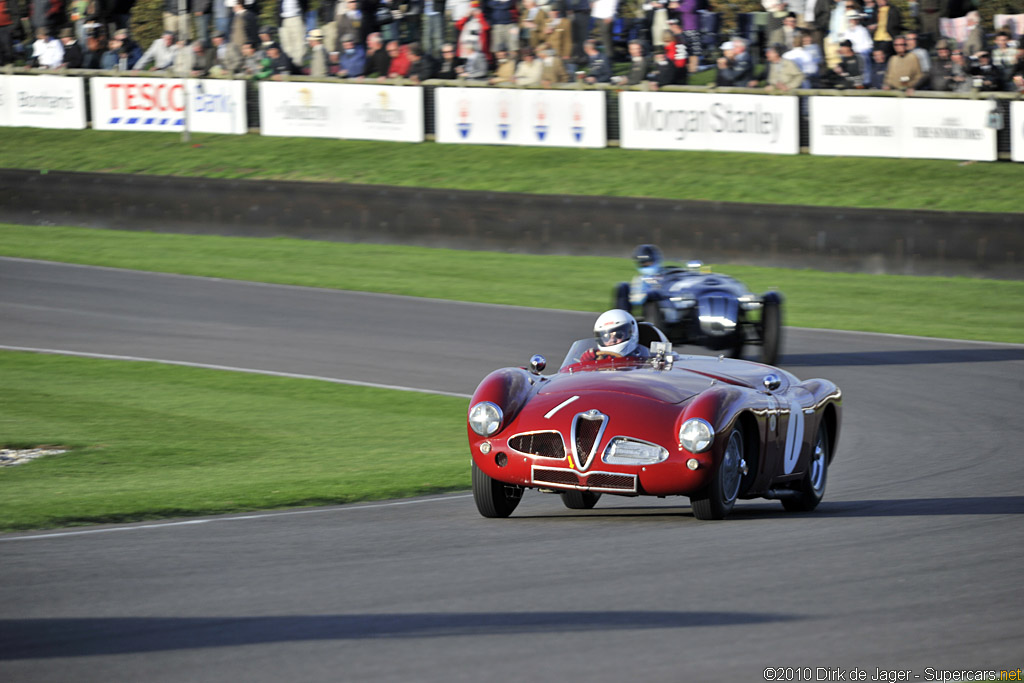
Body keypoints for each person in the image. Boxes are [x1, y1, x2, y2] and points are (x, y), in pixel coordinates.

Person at [579, 309, 650, 362]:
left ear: (632, 332)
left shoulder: (642, 356)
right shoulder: (595, 356)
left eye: (618, 335)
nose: (612, 340)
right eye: (606, 337)